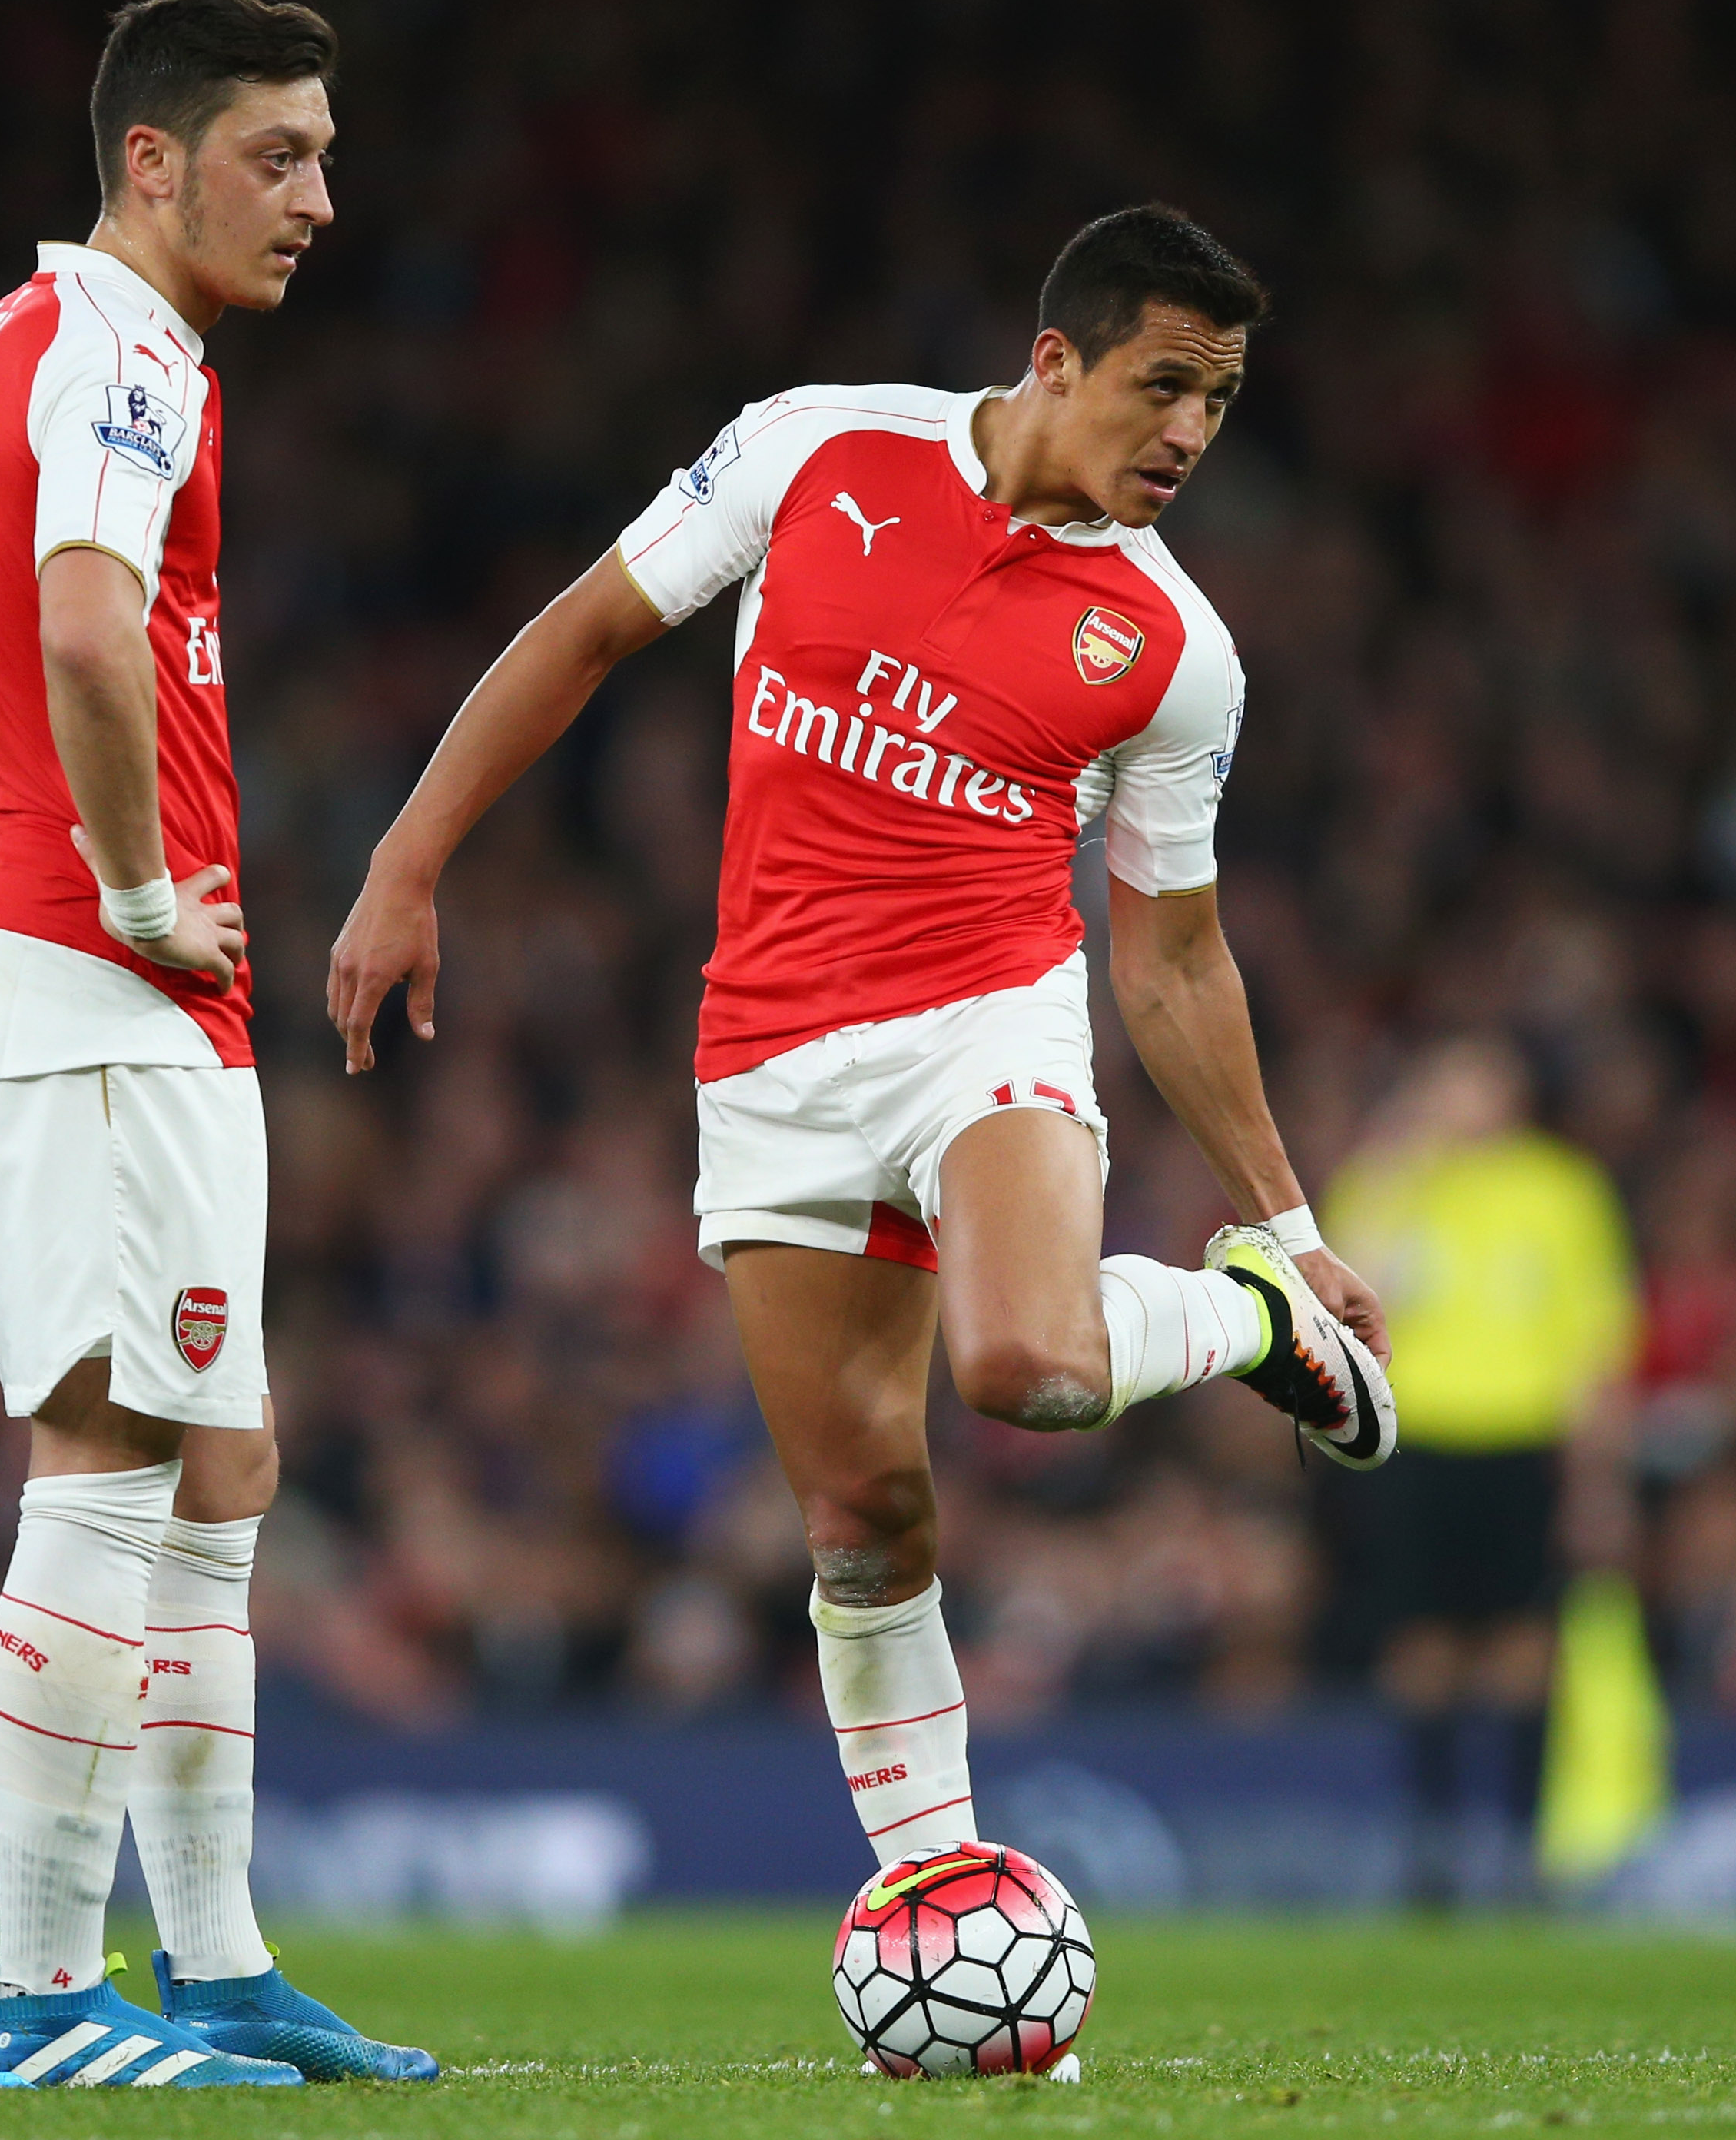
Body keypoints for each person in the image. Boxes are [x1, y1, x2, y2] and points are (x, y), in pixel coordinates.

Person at [330, 206, 1397, 1879]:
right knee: (859, 1517)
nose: (1190, 432)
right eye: (1163, 385)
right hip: (766, 1049)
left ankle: (1237, 1316)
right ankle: (935, 1895)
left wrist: (1289, 1224)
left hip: (986, 1020)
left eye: (1221, 399)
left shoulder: (1175, 653)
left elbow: (1173, 961)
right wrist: (407, 860)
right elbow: (583, 632)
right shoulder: (814, 447)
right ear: (1054, 359)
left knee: (1025, 1366)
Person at [0, 0, 431, 2090]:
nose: (315, 198)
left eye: (322, 154)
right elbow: (87, 630)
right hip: (100, 981)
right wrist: (97, 886)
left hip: (104, 980)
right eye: (274, 156)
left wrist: (18, 851)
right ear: (148, 160)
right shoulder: (120, 349)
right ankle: (42, 2004)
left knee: (224, 1453)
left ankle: (211, 1968)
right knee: (104, 1457)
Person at [1321, 1035, 1639, 1903]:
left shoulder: (1562, 1189)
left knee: (1524, 1644)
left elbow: (1596, 1342)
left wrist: (1595, 1478)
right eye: (1448, 1080)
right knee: (1421, 1642)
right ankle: (1432, 1848)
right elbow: (1341, 1296)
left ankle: (1522, 1849)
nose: (1466, 1098)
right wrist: (1397, 1168)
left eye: (1482, 1080)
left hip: (1525, 1439)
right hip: (1414, 1438)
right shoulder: (1385, 1181)